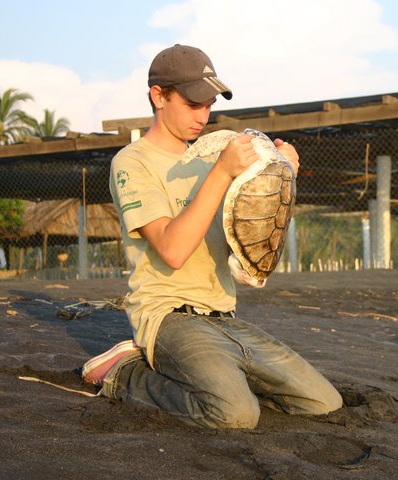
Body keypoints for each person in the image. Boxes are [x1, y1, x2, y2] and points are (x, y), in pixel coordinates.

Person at [82, 44, 342, 429]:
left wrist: (281, 170)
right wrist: (222, 173)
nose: (203, 116)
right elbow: (172, 250)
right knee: (235, 414)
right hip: (168, 317)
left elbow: (255, 244)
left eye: (209, 105)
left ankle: (221, 377)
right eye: (192, 104)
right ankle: (125, 373)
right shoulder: (132, 162)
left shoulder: (212, 158)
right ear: (158, 96)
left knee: (323, 402)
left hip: (224, 318)